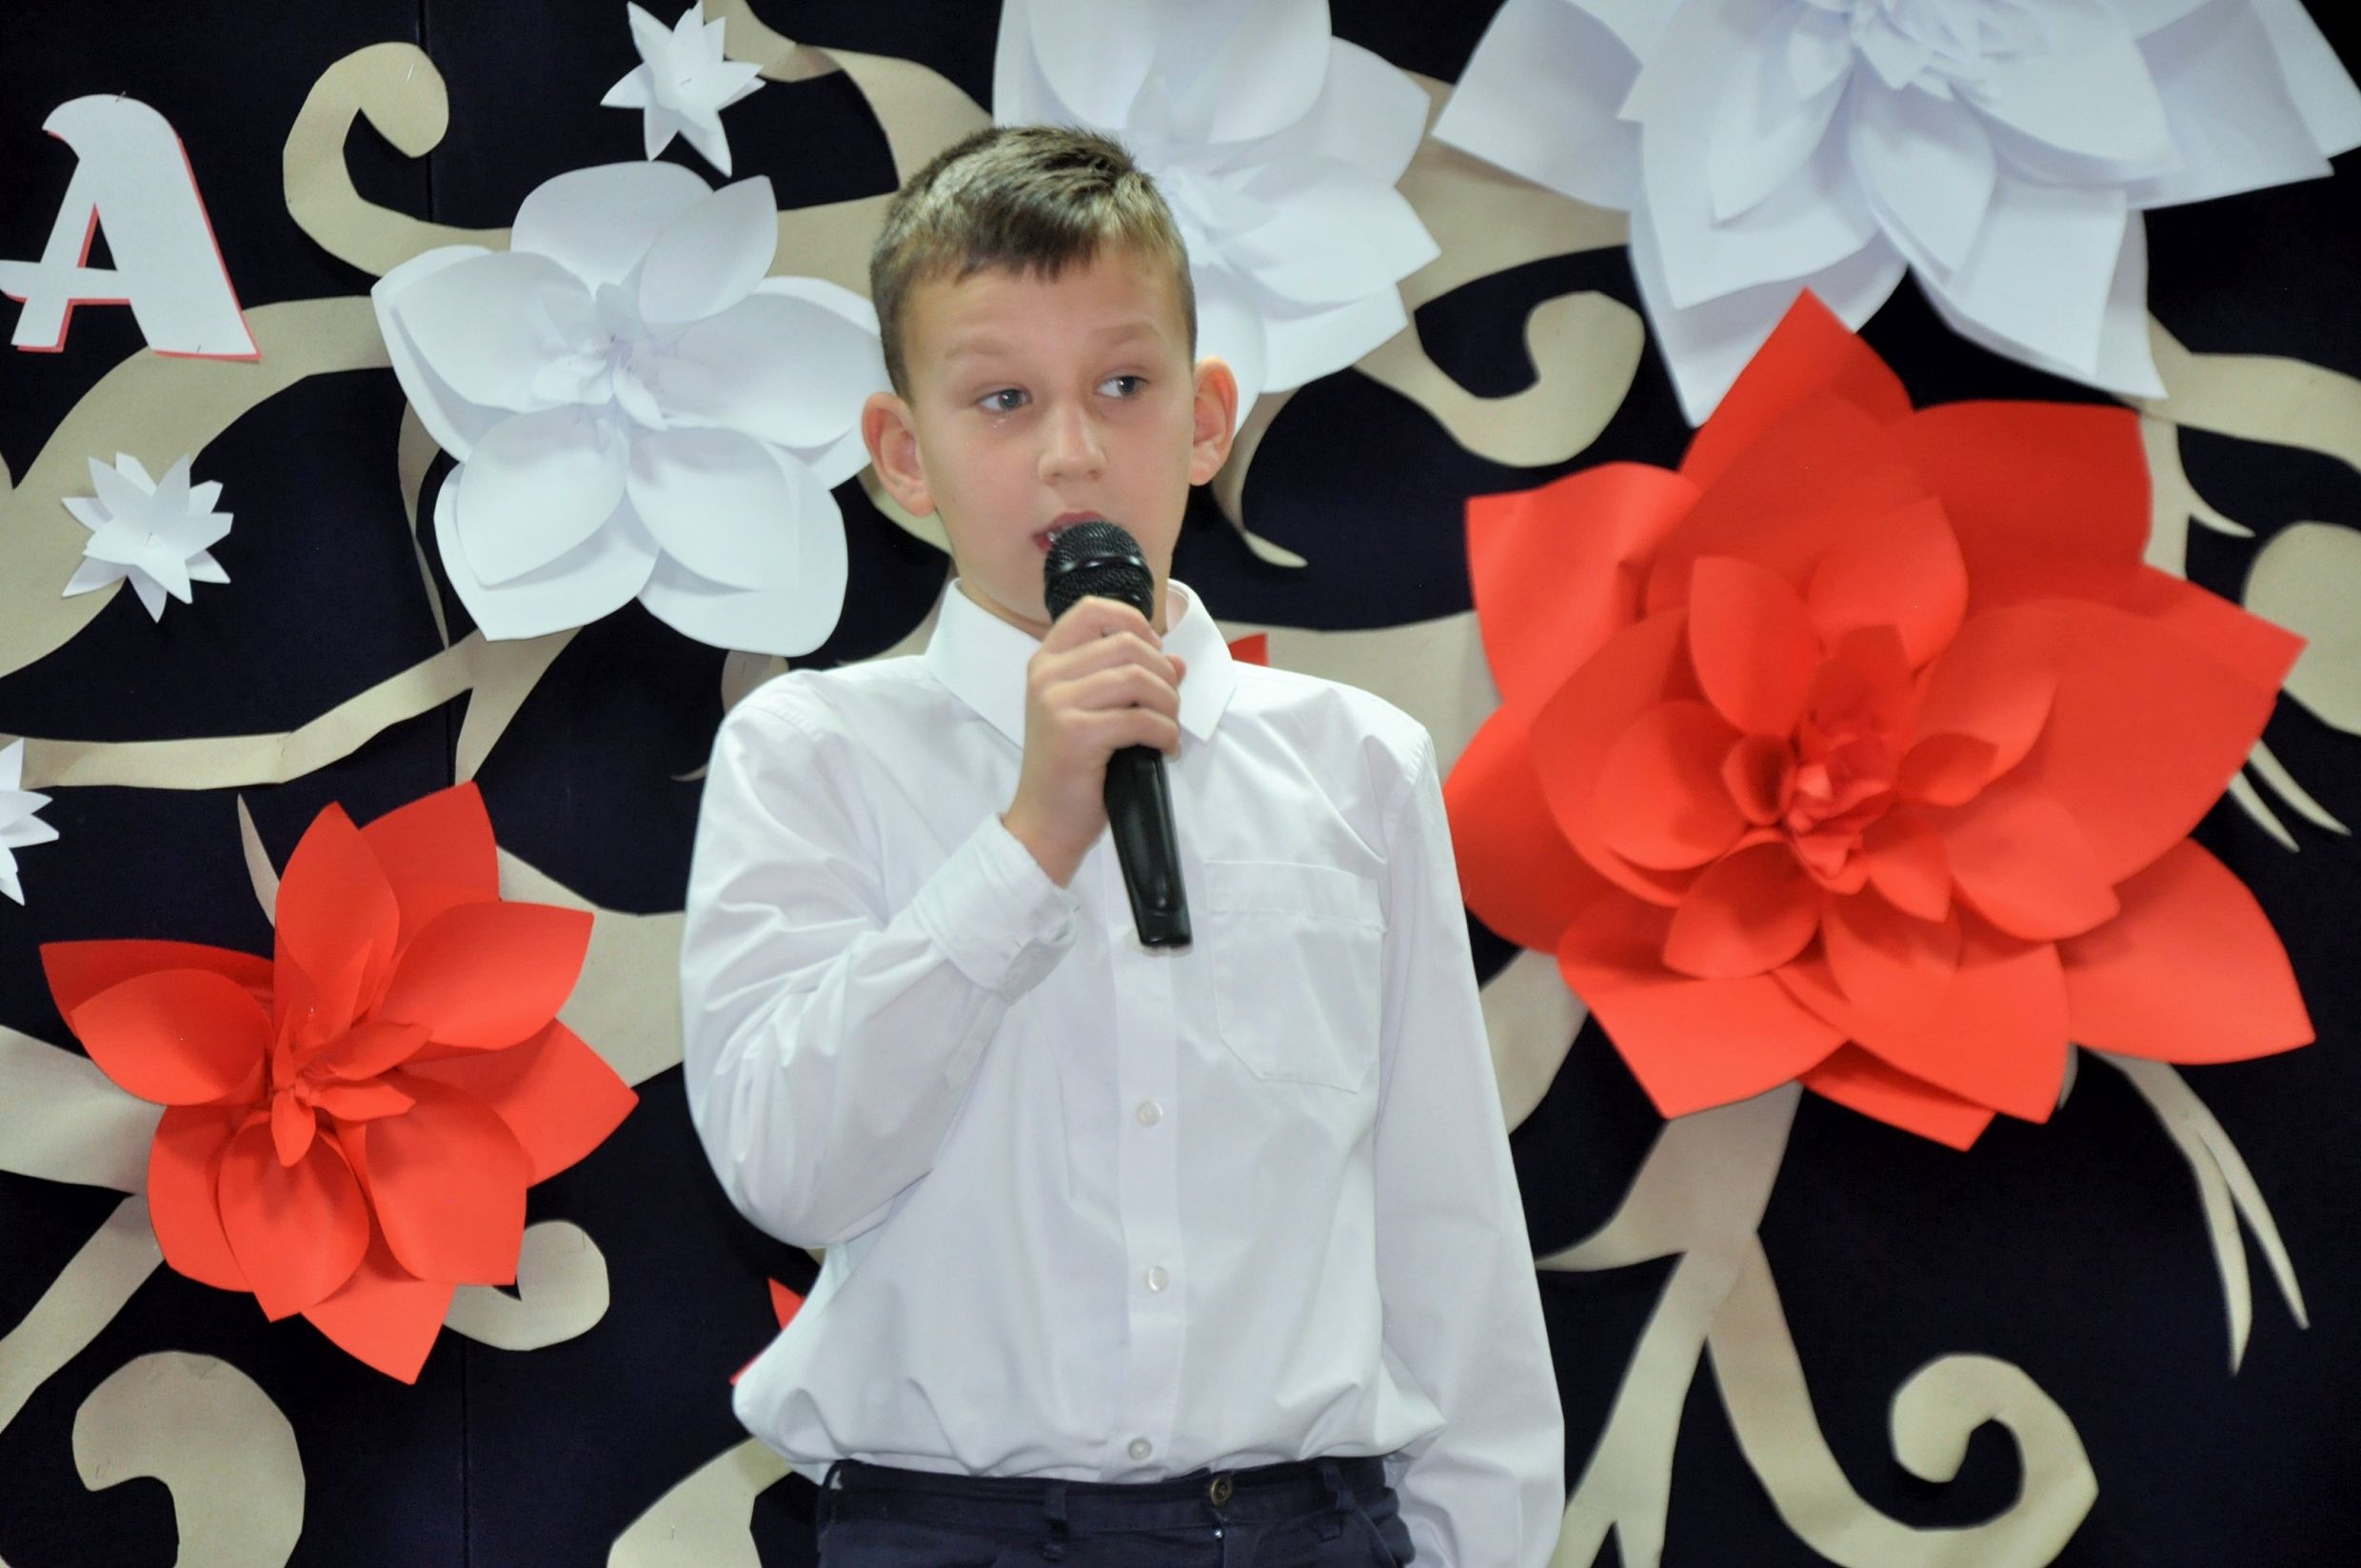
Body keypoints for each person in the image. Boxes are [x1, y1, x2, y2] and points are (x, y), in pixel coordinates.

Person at [678, 124, 1564, 1566]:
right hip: (947, 1532)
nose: (1072, 453)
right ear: (903, 454)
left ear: (1207, 419)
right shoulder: (814, 755)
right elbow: (790, 1171)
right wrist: (1031, 837)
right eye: (1003, 399)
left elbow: (1447, 1225)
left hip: (1300, 1528)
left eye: (1123, 386)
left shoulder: (1357, 767)